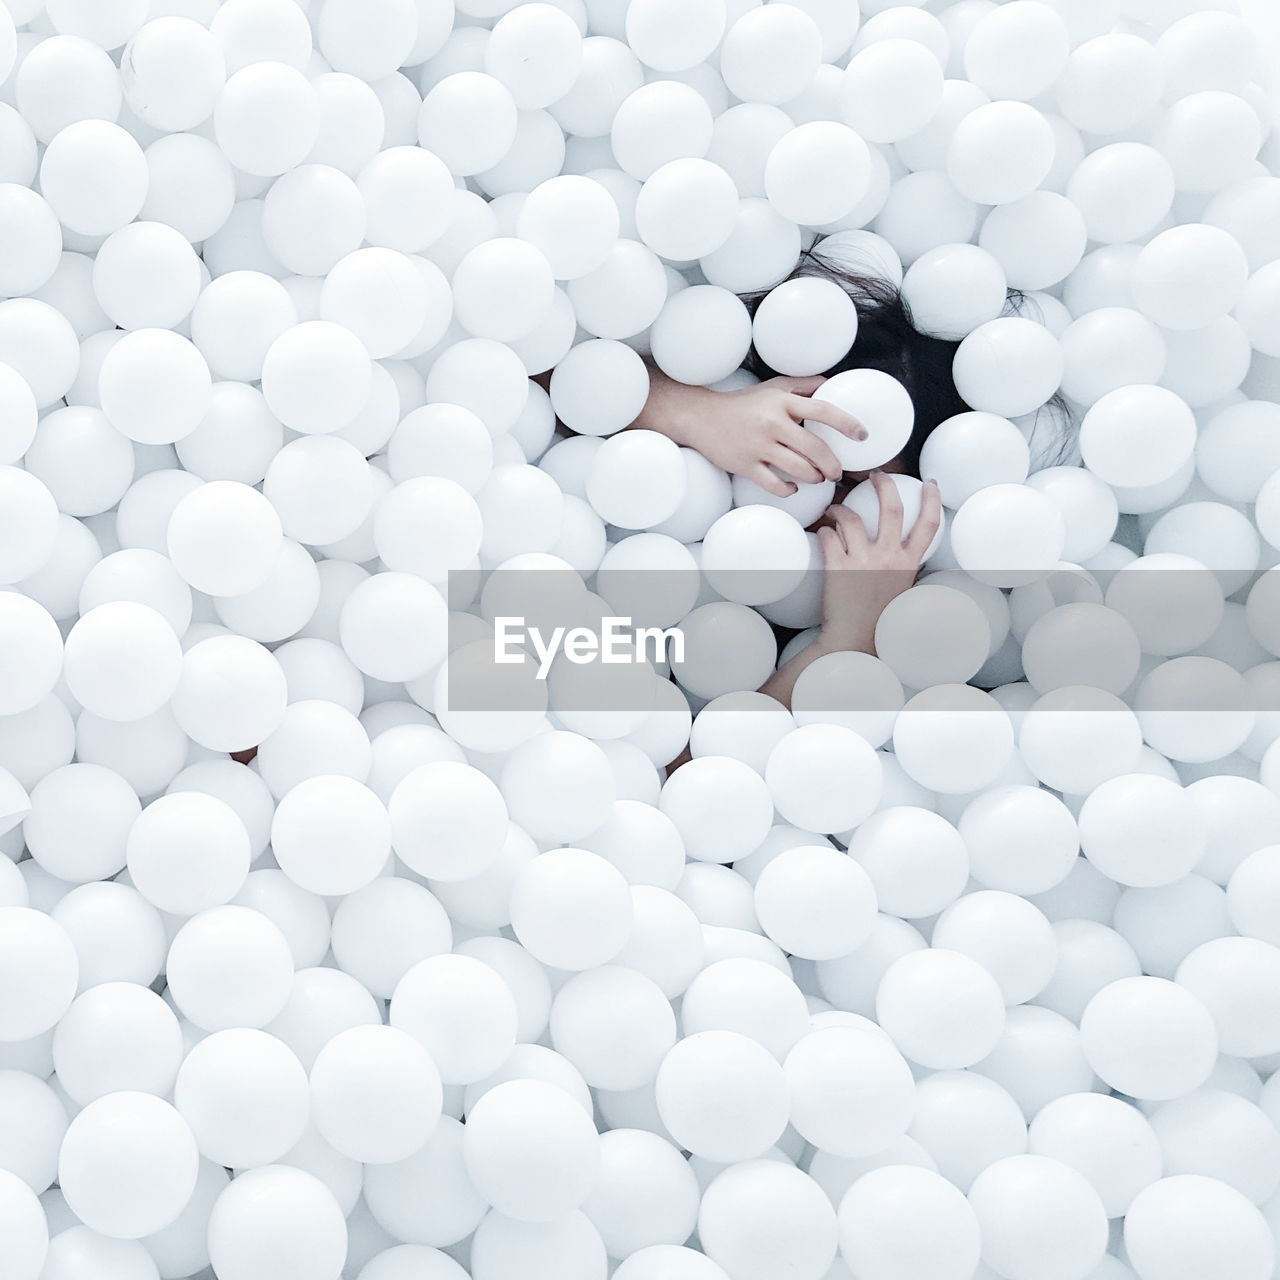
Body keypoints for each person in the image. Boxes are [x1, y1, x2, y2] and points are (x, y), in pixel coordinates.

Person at [628, 250, 964, 707]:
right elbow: (539, 380)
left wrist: (849, 639)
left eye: (856, 491)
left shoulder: (910, 646)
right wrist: (698, 412)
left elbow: (681, 771)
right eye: (807, 458)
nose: (824, 506)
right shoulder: (688, 468)